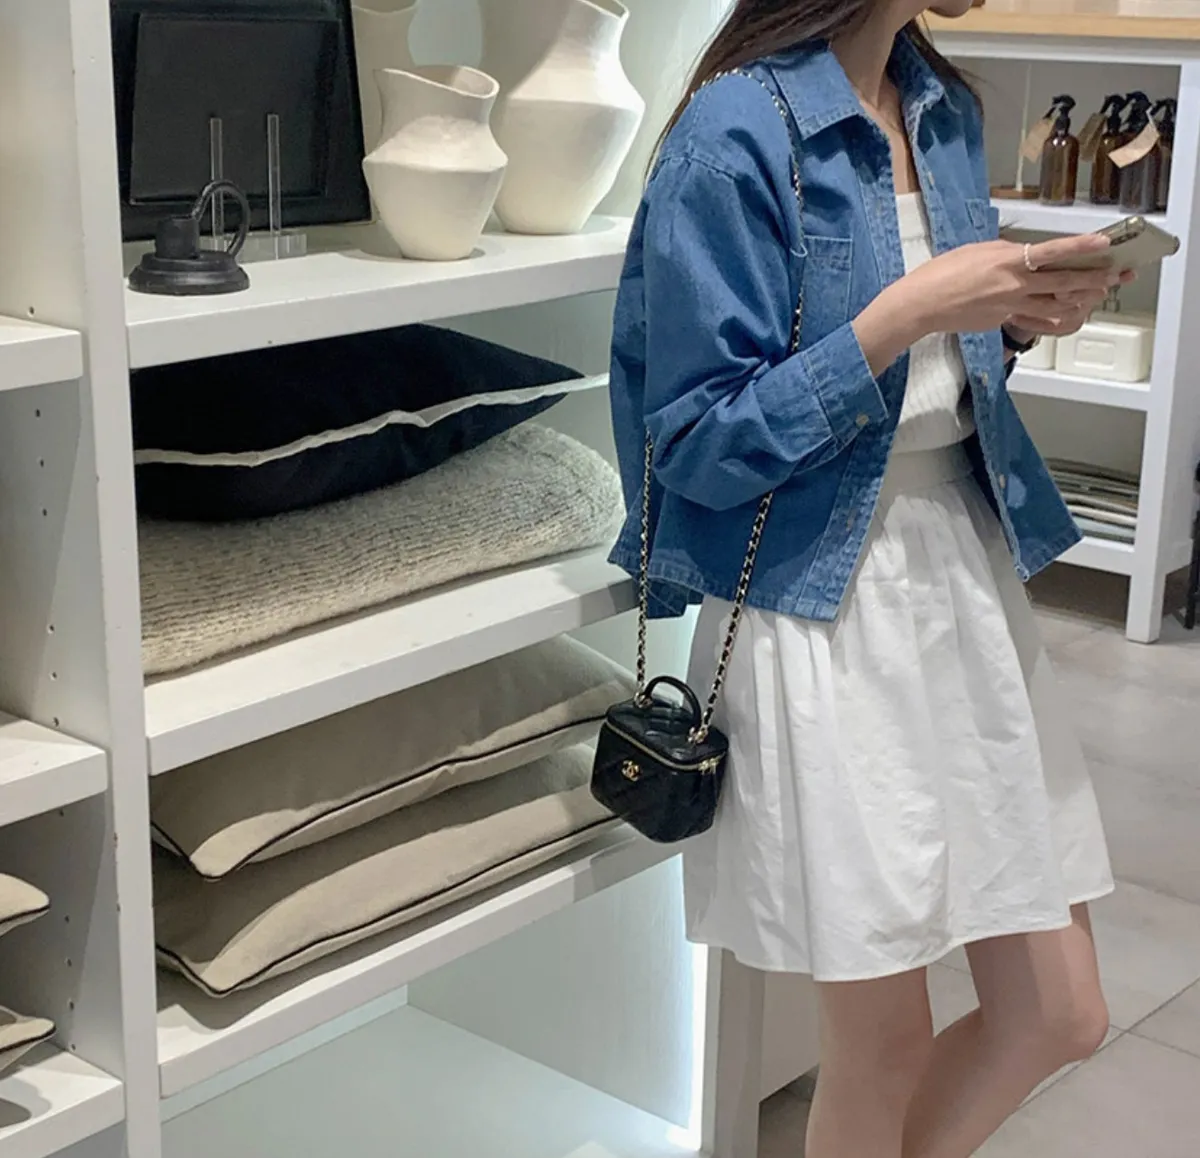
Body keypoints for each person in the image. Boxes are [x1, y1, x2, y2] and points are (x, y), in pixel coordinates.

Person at [607, 2, 1128, 1155]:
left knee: (1061, 1012)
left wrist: (1014, 318)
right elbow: (695, 442)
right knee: (882, 1047)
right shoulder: (733, 132)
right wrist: (908, 314)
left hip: (960, 572)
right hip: (818, 598)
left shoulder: (940, 107)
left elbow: (943, 376)